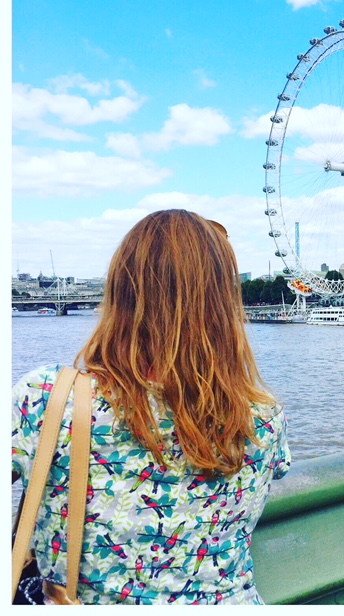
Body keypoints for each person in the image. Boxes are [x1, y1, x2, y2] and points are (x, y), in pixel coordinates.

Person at [12, 209, 291, 605]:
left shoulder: (49, 398)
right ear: (224, 301)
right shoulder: (263, 416)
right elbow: (276, 470)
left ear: (120, 291)